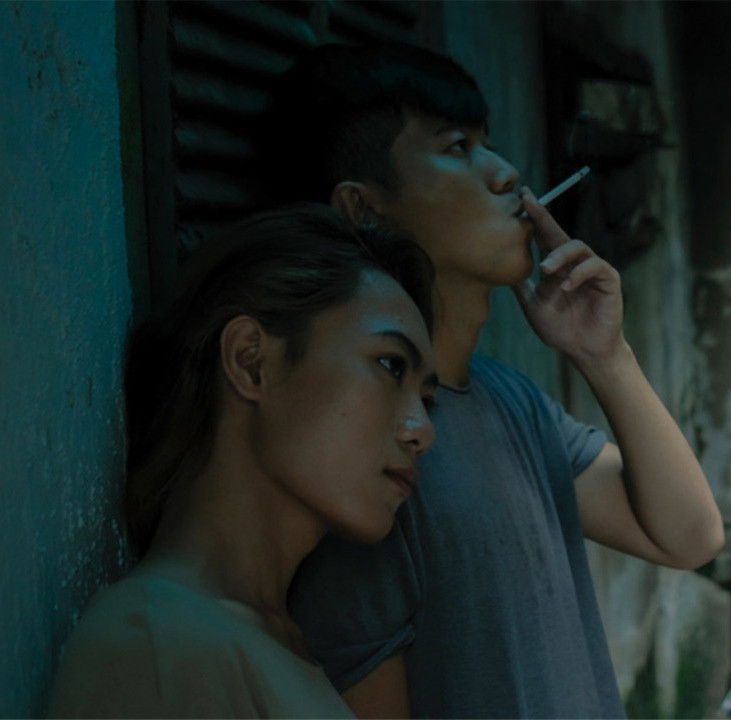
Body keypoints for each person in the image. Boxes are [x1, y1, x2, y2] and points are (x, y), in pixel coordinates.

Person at [264, 44, 725, 718]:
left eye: (489, 144)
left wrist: (606, 356)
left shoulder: (509, 400)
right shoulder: (369, 450)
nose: (507, 174)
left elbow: (689, 536)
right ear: (363, 208)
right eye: (458, 148)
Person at [47, 205, 438, 718]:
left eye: (426, 400)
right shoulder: (158, 645)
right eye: (391, 365)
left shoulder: (271, 646)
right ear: (251, 361)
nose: (422, 430)